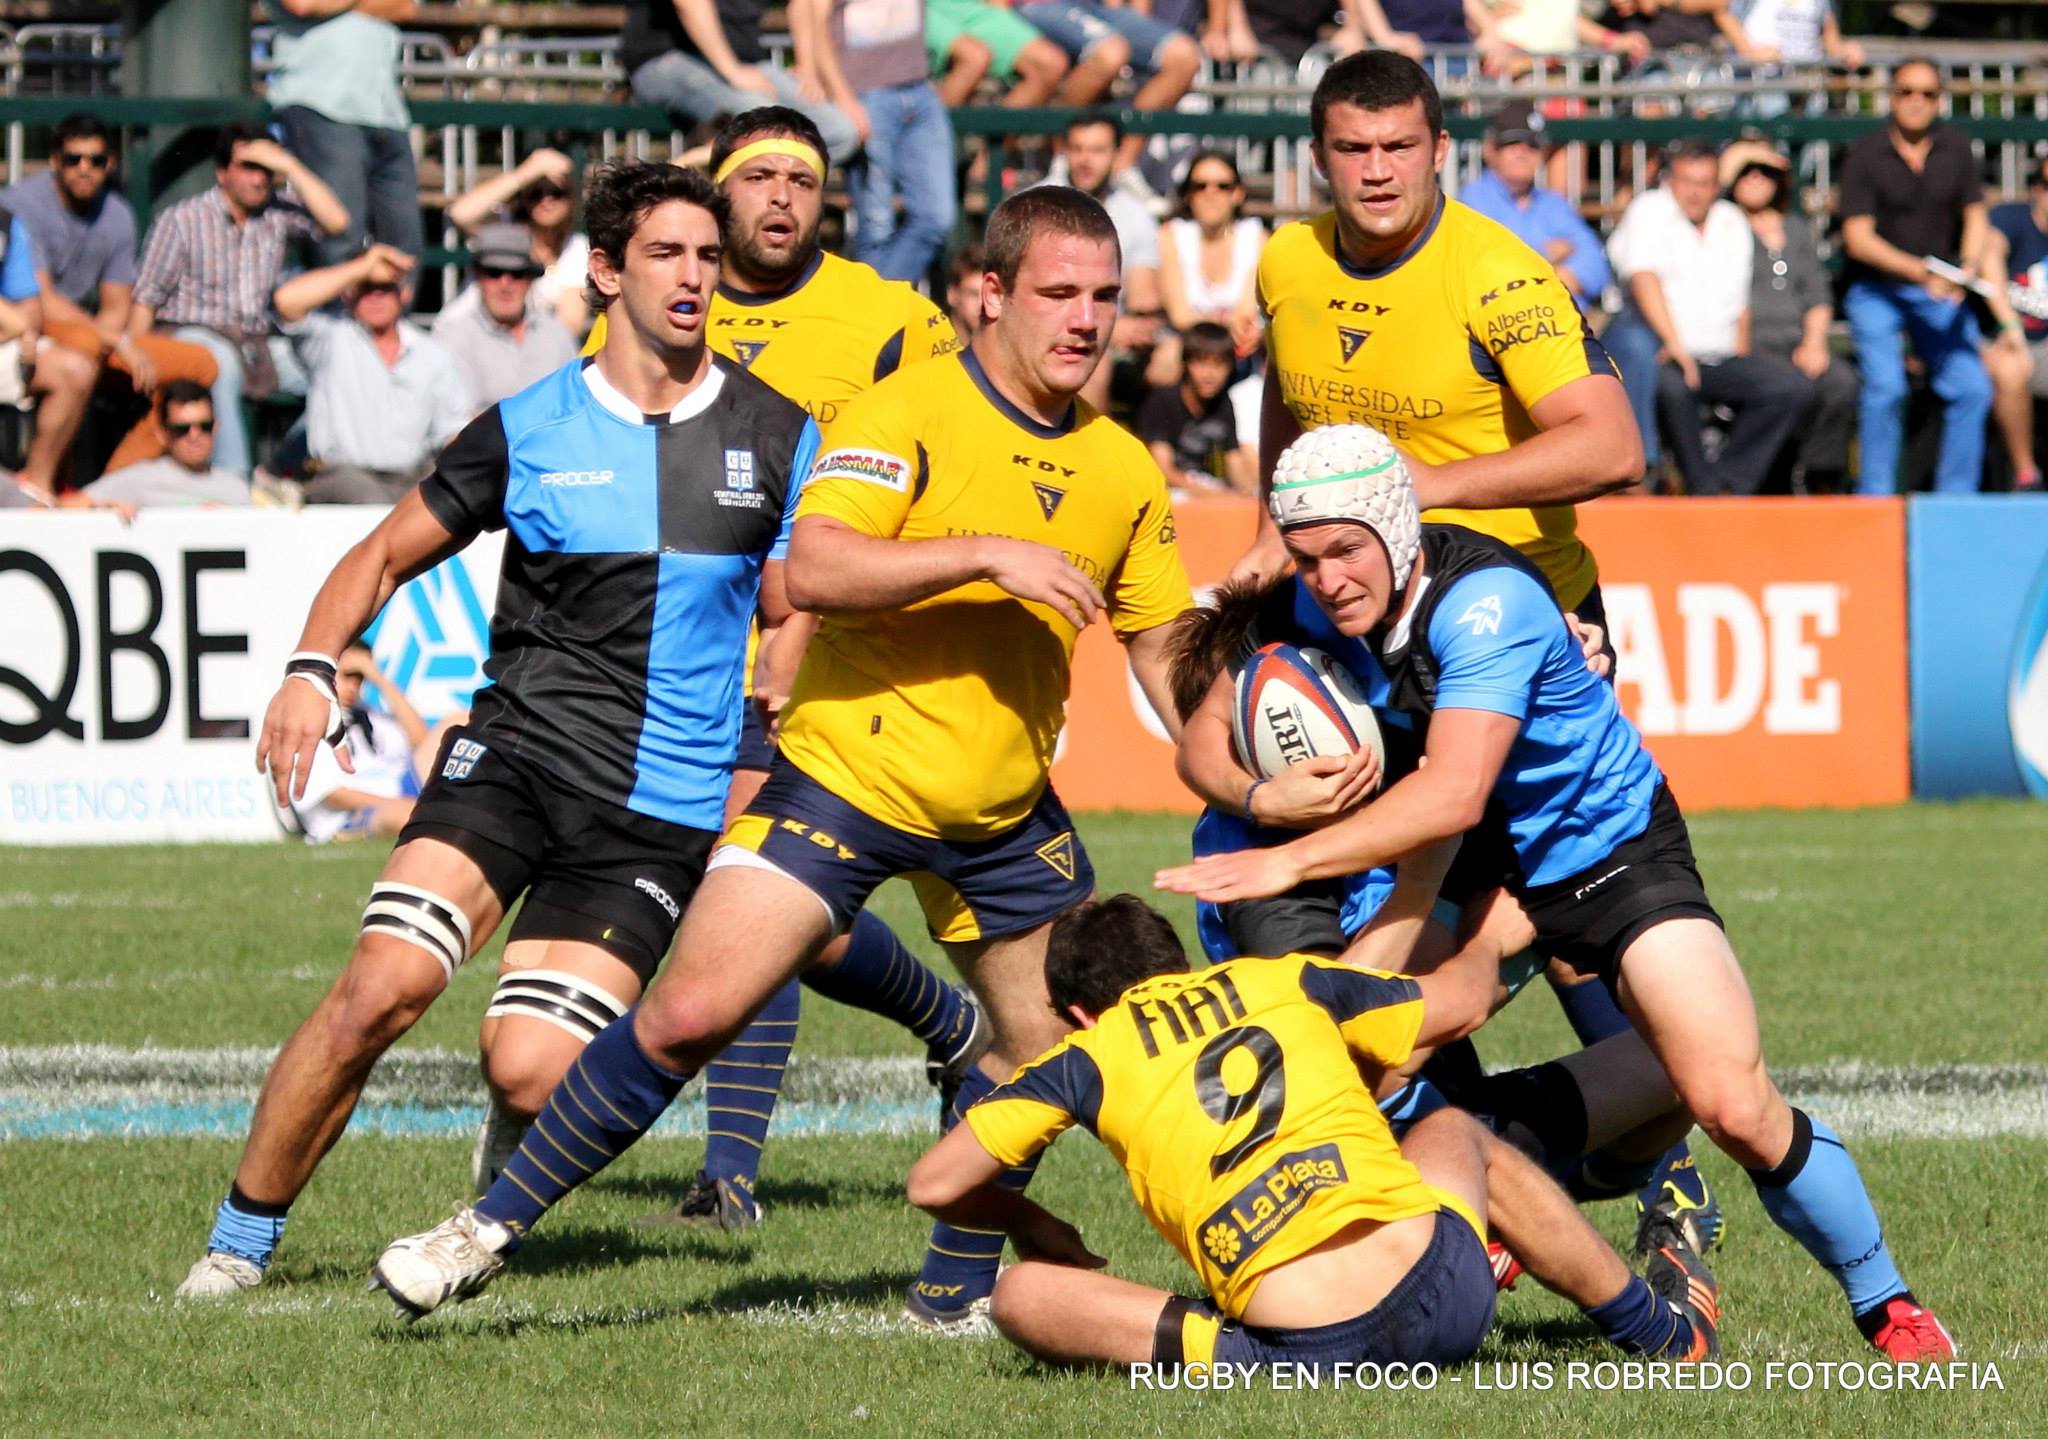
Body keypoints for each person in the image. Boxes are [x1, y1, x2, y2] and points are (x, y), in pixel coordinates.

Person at [368, 185, 1196, 1330]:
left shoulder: (1123, 467)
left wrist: (1248, 776)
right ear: (989, 294)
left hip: (1003, 806)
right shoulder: (903, 411)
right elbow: (816, 566)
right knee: (687, 1012)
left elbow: (1164, 658)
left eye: (1105, 295)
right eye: (1059, 292)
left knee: (1035, 1052)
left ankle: (949, 1292)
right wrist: (988, 553)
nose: (1088, 318)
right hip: (844, 780)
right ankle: (480, 1232)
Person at [1157, 434, 1957, 1362]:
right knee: (1363, 1060)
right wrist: (1261, 799)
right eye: (1305, 556)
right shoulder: (1307, 606)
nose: (1326, 578)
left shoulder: (1485, 604)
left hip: (1602, 848)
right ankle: (1503, 1209)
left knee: (1729, 1100)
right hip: (1472, 860)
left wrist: (1289, 862)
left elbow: (1452, 789)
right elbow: (1202, 732)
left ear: (1394, 526)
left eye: (1345, 550)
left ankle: (1886, 1302)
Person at [173, 160, 818, 1300]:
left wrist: (795, 667)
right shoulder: (529, 424)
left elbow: (801, 595)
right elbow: (377, 552)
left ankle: (500, 1152)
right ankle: (238, 1240)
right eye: (666, 254)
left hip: (653, 808)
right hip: (514, 757)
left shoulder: (776, 433)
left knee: (529, 1069)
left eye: (708, 257)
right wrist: (310, 669)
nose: (694, 277)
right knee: (380, 985)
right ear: (606, 271)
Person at [1230, 52, 1728, 1248]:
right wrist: (1267, 543)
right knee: (1395, 926)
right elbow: (1291, 409)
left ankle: (1630, 1156)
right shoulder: (1286, 265)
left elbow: (1610, 445)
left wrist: (1415, 489)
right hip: (1378, 644)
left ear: (1441, 150)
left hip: (1523, 635)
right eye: (1351, 150)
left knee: (1538, 926)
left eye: (1399, 146)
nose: (1376, 170)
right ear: (1317, 158)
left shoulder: (1498, 277)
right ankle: (1481, 1172)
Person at [576, 108, 983, 1233]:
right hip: (689, 653)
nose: (777, 199)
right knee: (767, 902)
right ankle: (948, 1027)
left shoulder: (890, 318)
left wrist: (828, 597)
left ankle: (727, 1172)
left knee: (745, 885)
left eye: (797, 180)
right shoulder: (659, 310)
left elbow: (960, 448)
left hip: (829, 654)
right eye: (754, 177)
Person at [909, 894, 1722, 1372]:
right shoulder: (1278, 977)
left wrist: (1032, 1221)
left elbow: (932, 1185)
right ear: (1181, 963)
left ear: (1077, 1013)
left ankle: (1224, 1352)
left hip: (1301, 1347)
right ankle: (1658, 1332)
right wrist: (1497, 933)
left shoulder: (1084, 1054)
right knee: (1457, 1134)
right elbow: (1460, 1002)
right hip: (1446, 1294)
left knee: (1019, 1294)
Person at [2, 114, 220, 481]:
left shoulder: (117, 213)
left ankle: (116, 483)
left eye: (96, 160)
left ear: (111, 164)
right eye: (73, 159)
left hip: (93, 333)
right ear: (55, 161)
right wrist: (115, 342)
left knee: (201, 365)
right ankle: (45, 485)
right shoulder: (22, 204)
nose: (84, 169)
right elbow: (40, 301)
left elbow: (117, 307)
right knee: (84, 351)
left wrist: (120, 345)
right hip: (38, 323)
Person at [128, 123, 351, 479]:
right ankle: (234, 484)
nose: (259, 179)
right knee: (220, 364)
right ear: (222, 172)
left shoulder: (278, 212)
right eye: (249, 167)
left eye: (266, 170)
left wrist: (290, 166)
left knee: (339, 372)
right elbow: (146, 296)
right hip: (191, 334)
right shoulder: (183, 219)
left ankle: (283, 468)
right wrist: (133, 355)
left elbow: (337, 222)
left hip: (258, 342)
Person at [1839, 60, 2004, 495]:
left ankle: (1955, 504)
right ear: (1892, 96)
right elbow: (1858, 239)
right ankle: (1874, 500)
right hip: (1877, 291)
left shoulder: (1956, 149)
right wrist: (1922, 271)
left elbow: (1975, 215)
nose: (1916, 101)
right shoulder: (1865, 154)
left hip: (1938, 293)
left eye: (1927, 93)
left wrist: (1963, 270)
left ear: (1940, 100)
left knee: (1973, 388)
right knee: (1886, 389)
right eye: (1907, 91)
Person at [1610, 139, 1810, 497]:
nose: (1694, 192)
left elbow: (1740, 303)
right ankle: (1700, 484)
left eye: (1704, 183)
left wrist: (1743, 357)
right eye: (1687, 181)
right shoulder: (1650, 210)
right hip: (1663, 351)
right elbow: (1644, 278)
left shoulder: (1730, 221)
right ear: (1671, 180)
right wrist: (1676, 347)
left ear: (1717, 186)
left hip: (1719, 353)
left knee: (1787, 386)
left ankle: (1730, 484)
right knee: (1672, 386)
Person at [272, 245, 475, 504]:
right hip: (343, 475)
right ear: (349, 293)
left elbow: (452, 430)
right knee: (375, 503)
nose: (376, 297)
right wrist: (363, 266)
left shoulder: (432, 352)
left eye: (386, 288)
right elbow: (286, 301)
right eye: (365, 288)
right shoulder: (330, 338)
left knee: (446, 498)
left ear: (404, 292)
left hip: (413, 474)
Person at [1722, 140, 1858, 491]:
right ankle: (1774, 479)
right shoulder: (1724, 226)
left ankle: (1820, 475)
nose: (1755, 178)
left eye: (1765, 172)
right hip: (1750, 341)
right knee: (1789, 389)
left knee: (1840, 383)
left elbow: (1817, 295)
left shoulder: (1795, 228)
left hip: (1796, 339)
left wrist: (1815, 342)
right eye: (1746, 171)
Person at [799, 0, 957, 284]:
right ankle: (872, 314)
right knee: (876, 225)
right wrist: (843, 96)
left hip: (919, 88)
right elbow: (814, 18)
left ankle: (874, 303)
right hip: (866, 96)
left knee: (936, 217)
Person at [265, 0, 425, 265]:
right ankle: (332, 308)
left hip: (386, 111)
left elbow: (407, 8)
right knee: (340, 235)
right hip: (322, 105)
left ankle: (396, 307)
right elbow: (303, 4)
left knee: (404, 241)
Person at [620, 0, 863, 169]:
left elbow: (803, 3)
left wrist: (807, 68)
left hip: (746, 63)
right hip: (663, 59)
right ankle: (689, 175)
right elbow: (688, 3)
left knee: (840, 132)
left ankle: (705, 158)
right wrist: (732, 71)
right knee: (765, 123)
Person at [1056, 114, 1171, 411]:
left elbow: (1145, 297)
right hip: (1055, 331)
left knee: (1171, 360)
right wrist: (1107, 329)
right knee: (1093, 361)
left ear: (1117, 155)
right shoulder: (1039, 207)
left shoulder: (1134, 213)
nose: (1085, 160)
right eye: (1078, 149)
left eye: (1097, 151)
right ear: (1064, 152)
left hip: (1114, 335)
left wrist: (1133, 327)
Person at [1013, 3, 1201, 179]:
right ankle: (1062, 158)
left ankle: (1122, 168)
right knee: (1110, 53)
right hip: (1040, 5)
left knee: (1185, 57)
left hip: (1100, 10)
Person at [275, 644, 438, 842]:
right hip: (347, 817)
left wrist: (377, 677)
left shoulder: (368, 716)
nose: (353, 685)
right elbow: (333, 795)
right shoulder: (309, 721)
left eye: (360, 678)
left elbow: (424, 742)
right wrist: (397, 803)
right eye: (347, 675)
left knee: (456, 721)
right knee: (410, 815)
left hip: (399, 794)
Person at [1460, 104, 1613, 307]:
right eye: (1512, 143)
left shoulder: (1553, 203)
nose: (1523, 152)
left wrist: (1540, 269)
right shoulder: (1472, 200)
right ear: (1490, 150)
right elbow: (1495, 270)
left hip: (1567, 327)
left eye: (1532, 145)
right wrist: (1550, 255)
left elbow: (1598, 267)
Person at [445, 148, 592, 337]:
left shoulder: (576, 248)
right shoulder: (502, 224)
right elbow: (460, 213)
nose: (546, 201)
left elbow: (570, 326)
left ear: (571, 200)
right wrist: (527, 172)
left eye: (556, 193)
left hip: (525, 350)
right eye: (536, 193)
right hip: (461, 337)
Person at [430, 223, 579, 409]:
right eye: (494, 273)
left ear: (529, 279)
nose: (505, 284)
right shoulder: (451, 339)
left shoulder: (558, 336)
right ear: (478, 277)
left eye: (516, 274)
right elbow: (456, 421)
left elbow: (573, 407)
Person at [1157, 149, 1266, 367]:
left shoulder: (1257, 239)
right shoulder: (1170, 236)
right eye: (1200, 186)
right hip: (1189, 349)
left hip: (1242, 348)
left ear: (1238, 193)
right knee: (1167, 359)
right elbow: (1180, 316)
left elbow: (1246, 315)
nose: (1211, 193)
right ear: (1188, 194)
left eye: (1223, 186)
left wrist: (1224, 322)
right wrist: (1226, 320)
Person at [1982, 153, 2048, 492]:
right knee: (2010, 367)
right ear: (2036, 189)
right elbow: (1989, 256)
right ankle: (2027, 476)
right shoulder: (2010, 218)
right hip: (1999, 339)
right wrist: (2010, 327)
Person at [82, 381, 251, 507]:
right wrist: (103, 511)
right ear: (163, 435)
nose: (194, 435)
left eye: (204, 426)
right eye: (182, 429)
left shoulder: (237, 489)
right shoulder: (140, 478)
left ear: (215, 428)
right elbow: (67, 507)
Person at [1138, 320, 1252, 494]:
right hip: (1166, 494)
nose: (1209, 374)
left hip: (1206, 489)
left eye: (1219, 364)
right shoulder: (1161, 402)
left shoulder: (1224, 403)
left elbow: (1234, 462)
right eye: (1200, 362)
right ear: (1186, 363)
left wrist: (1249, 493)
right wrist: (1215, 496)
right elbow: (1163, 470)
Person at [925, 0, 1069, 108]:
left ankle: (998, 146)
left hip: (968, 5)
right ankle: (929, 140)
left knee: (1049, 63)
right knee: (973, 58)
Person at [1726, 0, 1864, 70]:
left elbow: (1831, 37)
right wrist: (1750, 52)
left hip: (1806, 81)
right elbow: (1724, 14)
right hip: (1762, 81)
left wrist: (1845, 51)